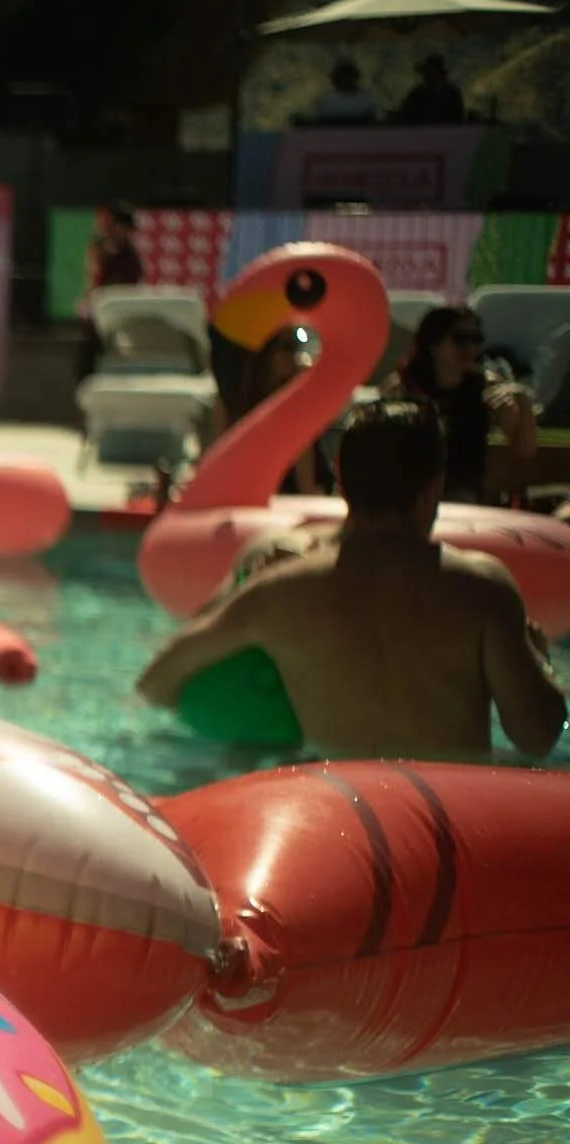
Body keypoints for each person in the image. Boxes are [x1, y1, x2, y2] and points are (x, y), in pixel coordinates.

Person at [138, 399, 563, 760]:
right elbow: (538, 737)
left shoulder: (281, 592)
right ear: (433, 489)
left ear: (341, 483)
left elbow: (156, 682)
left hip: (342, 812)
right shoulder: (481, 589)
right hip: (448, 812)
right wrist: (540, 661)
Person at [385, 305, 539, 505]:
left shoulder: (485, 387)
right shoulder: (405, 386)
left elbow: (524, 450)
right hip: (412, 492)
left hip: (466, 493)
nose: (471, 349)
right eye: (460, 339)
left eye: (476, 339)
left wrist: (523, 403)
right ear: (433, 344)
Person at [208, 324, 330, 496]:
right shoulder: (234, 400)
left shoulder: (293, 400)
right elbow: (215, 464)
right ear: (266, 354)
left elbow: (306, 480)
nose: (294, 357)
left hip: (288, 498)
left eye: (295, 347)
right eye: (286, 348)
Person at [81, 202, 144, 379]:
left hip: (122, 306)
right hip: (104, 304)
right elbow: (94, 276)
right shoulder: (102, 248)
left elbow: (133, 281)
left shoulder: (128, 254)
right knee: (95, 346)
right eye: (125, 229)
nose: (128, 234)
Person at [397, 54, 467, 125]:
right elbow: (405, 115)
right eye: (426, 74)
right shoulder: (417, 94)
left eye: (431, 74)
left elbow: (457, 119)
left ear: (441, 74)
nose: (427, 78)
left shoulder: (452, 94)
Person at [308, 60, 378, 126]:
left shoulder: (366, 98)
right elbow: (319, 122)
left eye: (348, 77)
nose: (346, 80)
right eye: (343, 77)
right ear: (335, 79)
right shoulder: (326, 99)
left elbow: (372, 121)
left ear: (355, 78)